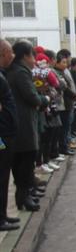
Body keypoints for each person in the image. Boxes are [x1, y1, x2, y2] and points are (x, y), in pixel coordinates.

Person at [5, 40, 49, 212]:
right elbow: (32, 97)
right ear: (25, 56)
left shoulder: (14, 71)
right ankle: (23, 197)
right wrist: (44, 100)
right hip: (22, 124)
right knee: (25, 160)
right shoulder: (20, 73)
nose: (34, 61)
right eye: (33, 56)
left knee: (22, 161)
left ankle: (26, 194)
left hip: (18, 123)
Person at [0, 39, 20, 231]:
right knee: (1, 174)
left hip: (6, 132)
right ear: (3, 53)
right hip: (1, 136)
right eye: (10, 53)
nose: (12, 56)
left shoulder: (2, 75)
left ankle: (3, 214)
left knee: (5, 175)